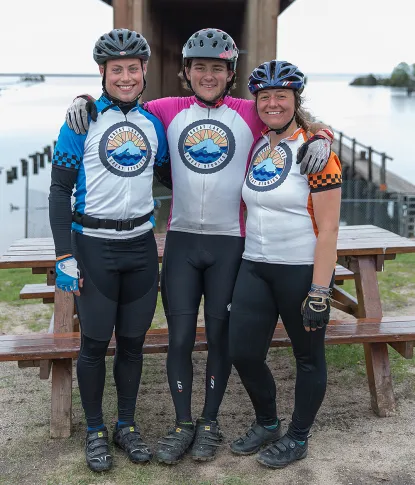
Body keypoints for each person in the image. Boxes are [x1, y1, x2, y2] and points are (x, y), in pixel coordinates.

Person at [64, 28, 334, 464]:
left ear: (231, 75)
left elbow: (291, 118)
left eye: (218, 69)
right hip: (182, 241)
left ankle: (210, 422)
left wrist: (323, 136)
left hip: (231, 243)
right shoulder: (165, 110)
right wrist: (81, 100)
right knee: (180, 339)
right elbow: (120, 103)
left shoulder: (249, 112)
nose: (209, 76)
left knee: (221, 339)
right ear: (186, 72)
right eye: (200, 68)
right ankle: (182, 424)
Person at [49, 28, 170, 472]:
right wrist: (64, 254)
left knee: (133, 345)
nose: (125, 77)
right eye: (116, 69)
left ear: (144, 71)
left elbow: (176, 172)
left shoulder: (153, 124)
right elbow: (59, 192)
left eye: (132, 69)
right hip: (93, 247)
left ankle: (125, 425)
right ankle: (96, 430)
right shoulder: (81, 121)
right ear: (102, 73)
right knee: (95, 345)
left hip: (140, 247)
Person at [228, 60, 341, 469]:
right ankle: (268, 422)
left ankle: (298, 436)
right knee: (242, 352)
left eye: (281, 96)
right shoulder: (259, 144)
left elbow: (329, 229)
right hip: (255, 265)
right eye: (265, 97)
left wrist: (320, 290)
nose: (272, 103)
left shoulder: (316, 152)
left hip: (300, 269)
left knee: (308, 357)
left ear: (296, 100)